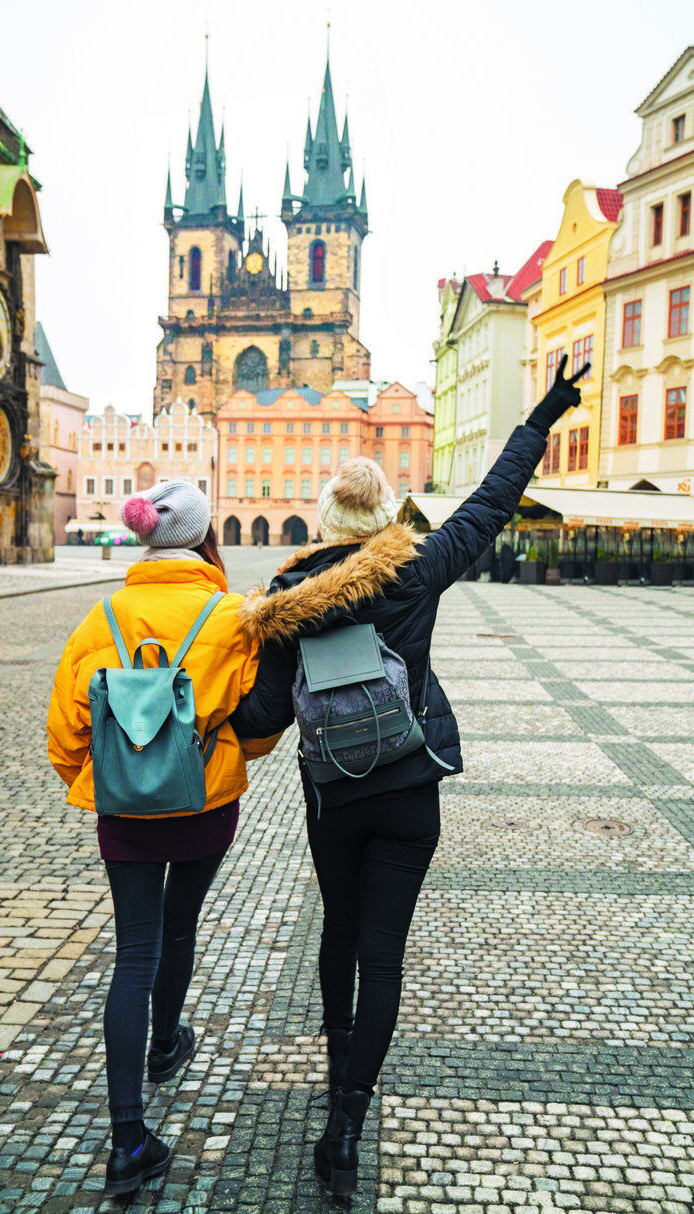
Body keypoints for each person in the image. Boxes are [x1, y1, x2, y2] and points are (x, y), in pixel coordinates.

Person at [229, 357, 589, 1194]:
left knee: (339, 936)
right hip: (409, 790)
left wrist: (200, 712)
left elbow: (264, 717)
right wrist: (540, 417)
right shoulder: (416, 570)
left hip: (336, 799)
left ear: (322, 519)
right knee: (384, 956)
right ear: (387, 516)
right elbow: (490, 505)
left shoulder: (289, 597)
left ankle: (333, 1066)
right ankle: (349, 1120)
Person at [47, 480, 278, 1197]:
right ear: (206, 539)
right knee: (180, 929)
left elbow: (64, 733)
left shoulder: (102, 617)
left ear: (147, 541)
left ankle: (127, 1142)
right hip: (205, 803)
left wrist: (103, 774)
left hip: (122, 811)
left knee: (133, 953)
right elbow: (263, 728)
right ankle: (167, 1044)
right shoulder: (232, 617)